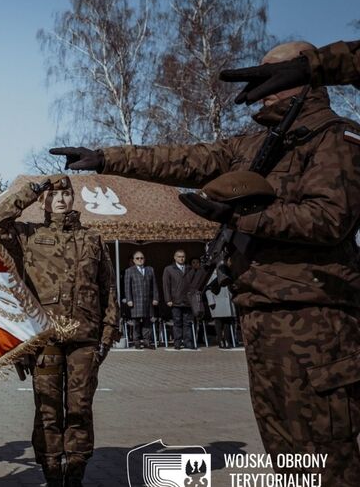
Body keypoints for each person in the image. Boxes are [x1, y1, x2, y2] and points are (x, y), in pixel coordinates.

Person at [52, 40, 360, 485]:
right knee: (289, 457)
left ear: (303, 75)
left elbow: (330, 219)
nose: (260, 82)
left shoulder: (337, 136)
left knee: (328, 456)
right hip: (262, 314)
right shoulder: (255, 144)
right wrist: (106, 159)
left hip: (315, 317)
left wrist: (244, 216)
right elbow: (184, 158)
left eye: (271, 72)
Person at [0, 174, 119, 487]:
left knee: (80, 409)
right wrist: (33, 189)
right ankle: (51, 472)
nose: (60, 199)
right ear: (45, 201)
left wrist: (106, 338)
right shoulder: (28, 234)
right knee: (47, 412)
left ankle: (75, 471)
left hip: (85, 340)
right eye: (54, 194)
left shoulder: (93, 239)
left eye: (66, 193)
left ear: (74, 198)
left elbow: (108, 291)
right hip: (44, 341)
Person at [220, 40, 360, 104]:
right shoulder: (254, 144)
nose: (264, 86)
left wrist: (311, 66)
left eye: (275, 72)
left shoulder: (333, 136)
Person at [123, 251, 159, 349]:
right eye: (137, 258)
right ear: (134, 260)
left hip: (147, 300)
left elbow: (154, 285)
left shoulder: (150, 269)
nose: (140, 260)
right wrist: (129, 299)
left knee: (147, 322)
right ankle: (137, 342)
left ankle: (147, 341)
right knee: (136, 323)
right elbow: (127, 287)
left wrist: (156, 298)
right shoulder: (129, 271)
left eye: (142, 258)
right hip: (136, 300)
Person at [162, 250, 193, 349]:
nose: (181, 258)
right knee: (177, 322)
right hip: (175, 300)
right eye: (179, 257)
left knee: (187, 322)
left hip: (187, 300)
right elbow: (166, 285)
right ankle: (177, 342)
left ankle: (188, 342)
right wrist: (168, 299)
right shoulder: (169, 269)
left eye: (183, 256)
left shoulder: (189, 268)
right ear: (175, 257)